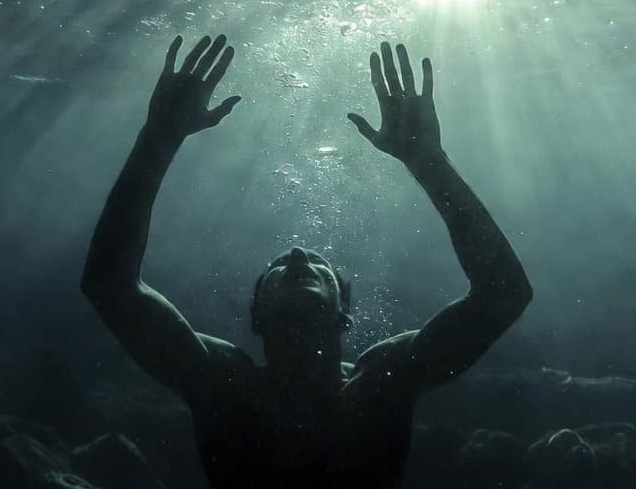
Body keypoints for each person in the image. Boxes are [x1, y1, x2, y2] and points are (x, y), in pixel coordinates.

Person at [81, 35, 533, 488]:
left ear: (345, 310)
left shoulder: (382, 381)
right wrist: (156, 137)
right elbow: (109, 287)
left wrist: (430, 161)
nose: (298, 254)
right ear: (256, 315)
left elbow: (506, 295)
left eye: (318, 263)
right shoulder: (220, 380)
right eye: (277, 267)